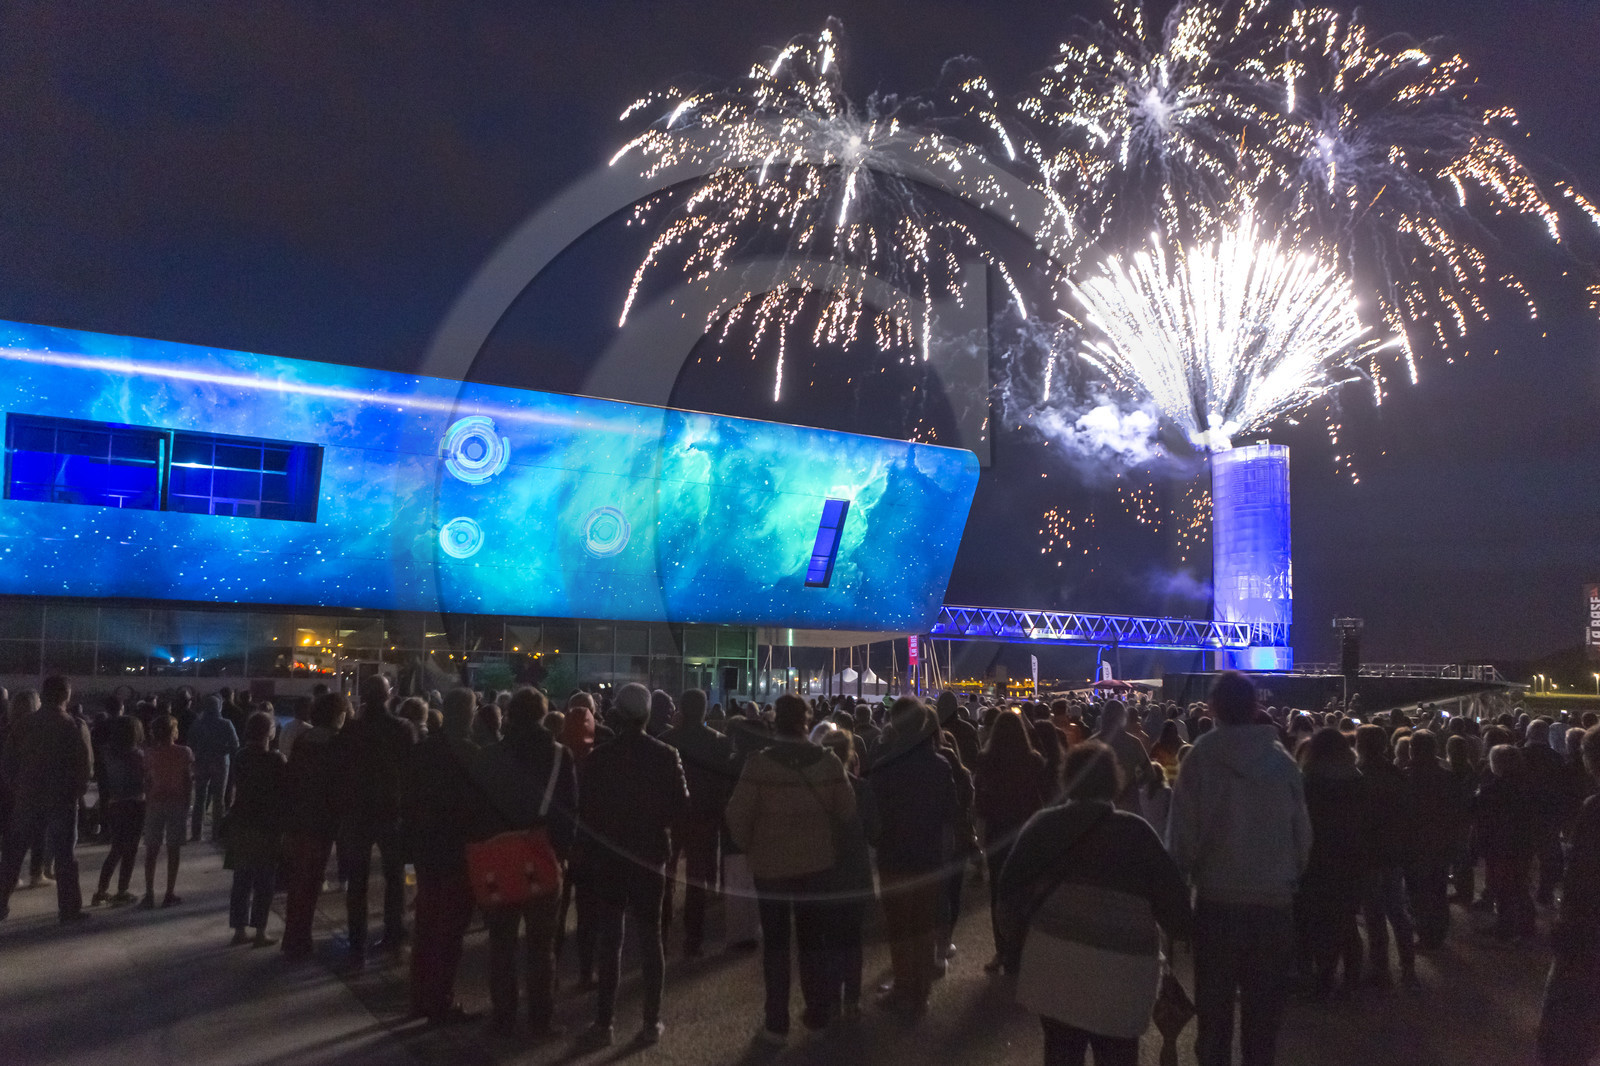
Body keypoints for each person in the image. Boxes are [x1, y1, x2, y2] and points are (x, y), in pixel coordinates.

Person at [997, 741, 1192, 1066]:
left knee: (1061, 1050)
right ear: (1112, 782)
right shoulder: (1137, 833)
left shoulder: (1042, 826)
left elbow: (1008, 893)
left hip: (1054, 964)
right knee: (1117, 1053)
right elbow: (1176, 910)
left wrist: (1018, 943)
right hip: (1123, 972)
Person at [1167, 672, 1310, 1066]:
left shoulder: (1199, 758)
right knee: (1263, 1025)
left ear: (1212, 708)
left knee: (1213, 1020)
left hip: (1216, 902)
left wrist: (1179, 897)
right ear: (1255, 706)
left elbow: (1181, 840)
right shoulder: (1283, 764)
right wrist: (1286, 878)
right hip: (1274, 906)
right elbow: (1303, 838)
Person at [725, 693, 857, 1042]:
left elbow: (737, 816)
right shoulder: (828, 762)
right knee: (814, 941)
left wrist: (753, 845)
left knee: (777, 945)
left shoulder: (759, 764)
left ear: (774, 722)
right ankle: (817, 1013)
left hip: (771, 868)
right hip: (817, 865)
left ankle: (776, 1022)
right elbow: (846, 811)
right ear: (807, 721)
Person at [575, 682, 689, 1048]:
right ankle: (650, 1021)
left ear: (618, 715)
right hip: (651, 854)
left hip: (611, 856)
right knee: (651, 937)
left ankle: (604, 1022)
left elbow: (586, 811)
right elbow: (680, 808)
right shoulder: (666, 755)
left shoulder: (599, 758)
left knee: (612, 940)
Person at [472, 687, 578, 1038]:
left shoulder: (489, 755)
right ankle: (541, 1019)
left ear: (511, 715)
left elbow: (476, 810)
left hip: (498, 858)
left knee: (500, 943)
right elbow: (569, 813)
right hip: (540, 854)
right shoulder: (560, 756)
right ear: (542, 714)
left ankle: (503, 1016)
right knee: (541, 946)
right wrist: (560, 854)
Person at [869, 697, 959, 1016]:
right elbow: (951, 811)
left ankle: (904, 985)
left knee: (899, 927)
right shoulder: (940, 765)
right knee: (923, 926)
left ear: (893, 722)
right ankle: (920, 990)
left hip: (894, 856)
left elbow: (874, 817)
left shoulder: (883, 765)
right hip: (929, 857)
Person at [403, 687, 484, 1025]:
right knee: (449, 931)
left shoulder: (422, 750)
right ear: (467, 714)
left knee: (426, 924)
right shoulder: (470, 754)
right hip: (455, 852)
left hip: (426, 849)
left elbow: (408, 796)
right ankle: (440, 1001)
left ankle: (420, 996)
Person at [0, 676, 94, 923]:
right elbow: (86, 765)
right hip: (61, 800)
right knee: (64, 857)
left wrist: (17, 787)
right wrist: (77, 791)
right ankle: (69, 909)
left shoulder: (23, 724)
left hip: (28, 798)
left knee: (13, 854)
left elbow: (7, 763)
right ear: (66, 695)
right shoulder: (74, 725)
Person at [339, 674, 416, 963]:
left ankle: (356, 938)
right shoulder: (402, 728)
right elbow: (410, 772)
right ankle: (393, 932)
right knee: (394, 877)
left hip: (358, 811)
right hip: (390, 810)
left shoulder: (351, 731)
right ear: (389, 695)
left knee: (356, 879)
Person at [1538, 726, 1600, 1065]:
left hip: (1589, 932)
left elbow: (1582, 876)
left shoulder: (1594, 810)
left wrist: (1566, 926)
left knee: (1565, 1024)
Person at [973, 708, 1050, 972]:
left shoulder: (985, 760)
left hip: (998, 835)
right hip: (1027, 834)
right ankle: (1023, 949)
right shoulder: (1033, 760)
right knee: (1026, 892)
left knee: (999, 893)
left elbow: (980, 802)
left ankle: (1002, 951)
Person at [660, 688, 735, 958]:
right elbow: (725, 782)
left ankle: (663, 934)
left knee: (666, 876)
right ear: (704, 710)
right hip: (705, 816)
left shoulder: (666, 740)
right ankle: (693, 938)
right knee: (697, 879)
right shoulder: (719, 742)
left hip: (673, 817)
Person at [1296, 727, 1365, 998]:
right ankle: (1350, 980)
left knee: (1313, 920)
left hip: (1316, 858)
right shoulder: (1359, 781)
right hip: (1351, 859)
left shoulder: (1308, 782)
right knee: (1346, 922)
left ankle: (1320, 978)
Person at [281, 691, 349, 961]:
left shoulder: (303, 740)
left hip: (298, 816)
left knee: (300, 879)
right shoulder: (336, 743)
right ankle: (300, 939)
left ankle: (293, 935)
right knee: (310, 880)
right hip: (321, 820)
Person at [818, 727, 879, 1020]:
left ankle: (831, 995)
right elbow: (874, 831)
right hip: (854, 870)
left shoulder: (814, 790)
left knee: (829, 937)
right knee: (852, 938)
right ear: (850, 755)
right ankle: (852, 997)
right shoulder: (862, 789)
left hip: (824, 870)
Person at [1352, 723, 1418, 989]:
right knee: (1397, 911)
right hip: (1392, 852)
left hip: (1369, 853)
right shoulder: (1396, 775)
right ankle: (1408, 968)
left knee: (1374, 913)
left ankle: (1380, 970)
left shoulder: (1358, 776)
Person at [224, 711, 287, 946]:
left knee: (242, 880)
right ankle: (260, 930)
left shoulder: (241, 756)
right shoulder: (275, 760)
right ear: (269, 732)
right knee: (264, 881)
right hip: (267, 825)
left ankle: (239, 929)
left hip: (242, 822)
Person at [1406, 729, 1465, 950]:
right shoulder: (1447, 777)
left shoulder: (1409, 777)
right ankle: (1438, 933)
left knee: (1418, 893)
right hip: (1441, 842)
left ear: (1413, 749)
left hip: (1416, 844)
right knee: (1438, 889)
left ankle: (1425, 934)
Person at [1475, 744, 1538, 939]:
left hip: (1499, 846)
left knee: (1503, 887)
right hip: (1523, 844)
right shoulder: (1528, 787)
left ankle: (1506, 927)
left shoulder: (1491, 791)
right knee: (1519, 884)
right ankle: (1527, 924)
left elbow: (1478, 815)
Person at [139, 713, 194, 910]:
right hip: (176, 802)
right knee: (173, 849)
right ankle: (169, 892)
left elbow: (147, 780)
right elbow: (187, 780)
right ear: (174, 732)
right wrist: (187, 802)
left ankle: (149, 892)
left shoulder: (149, 753)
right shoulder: (184, 752)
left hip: (155, 802)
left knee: (152, 849)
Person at [92, 715, 146, 906]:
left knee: (116, 849)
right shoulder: (139, 756)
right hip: (136, 804)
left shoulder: (108, 754)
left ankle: (101, 890)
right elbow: (143, 781)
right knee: (130, 850)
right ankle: (122, 889)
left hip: (115, 804)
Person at [186, 695, 239, 843]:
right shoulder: (226, 724)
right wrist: (223, 750)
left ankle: (196, 833)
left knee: (199, 798)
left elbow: (190, 743)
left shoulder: (198, 724)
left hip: (201, 762)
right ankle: (216, 833)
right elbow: (235, 744)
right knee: (218, 799)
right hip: (221, 762)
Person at [1089, 700, 1154, 814]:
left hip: (1099, 806)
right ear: (1123, 717)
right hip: (1129, 804)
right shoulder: (1134, 742)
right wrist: (1134, 784)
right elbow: (1150, 773)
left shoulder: (1092, 743)